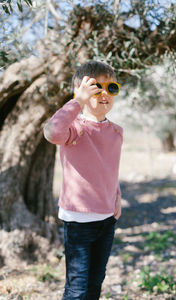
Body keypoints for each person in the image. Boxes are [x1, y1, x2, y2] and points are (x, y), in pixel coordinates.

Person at [43, 60, 123, 300]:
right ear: (81, 91)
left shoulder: (116, 131)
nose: (104, 94)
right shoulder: (74, 129)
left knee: (96, 282)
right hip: (78, 220)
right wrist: (77, 100)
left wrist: (117, 197)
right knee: (77, 287)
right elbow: (52, 132)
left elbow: (110, 169)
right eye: (96, 88)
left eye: (112, 88)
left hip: (107, 218)